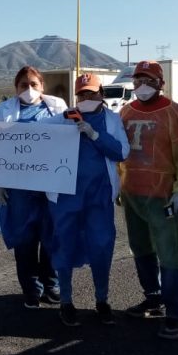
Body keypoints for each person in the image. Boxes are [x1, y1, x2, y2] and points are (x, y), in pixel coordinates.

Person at [119, 61, 178, 339]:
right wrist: (119, 185)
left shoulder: (174, 112)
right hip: (133, 193)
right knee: (140, 247)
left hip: (162, 196)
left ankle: (175, 310)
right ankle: (153, 297)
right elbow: (118, 154)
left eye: (149, 80)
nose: (142, 85)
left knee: (169, 252)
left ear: (160, 83)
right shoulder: (126, 112)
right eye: (138, 80)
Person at [46, 73, 130, 326]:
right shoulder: (60, 120)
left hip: (99, 195)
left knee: (102, 246)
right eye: (82, 94)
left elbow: (121, 152)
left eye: (92, 93)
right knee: (63, 245)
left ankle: (102, 300)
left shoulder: (112, 120)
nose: (87, 98)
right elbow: (34, 143)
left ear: (101, 94)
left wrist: (95, 135)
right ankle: (66, 302)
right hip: (65, 196)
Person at [0, 66, 67, 309]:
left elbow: (69, 144)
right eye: (24, 85)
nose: (29, 89)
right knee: (24, 240)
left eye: (34, 84)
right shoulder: (3, 111)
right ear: (16, 88)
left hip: (51, 187)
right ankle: (31, 288)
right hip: (18, 190)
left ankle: (52, 284)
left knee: (52, 236)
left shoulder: (58, 108)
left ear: (42, 86)